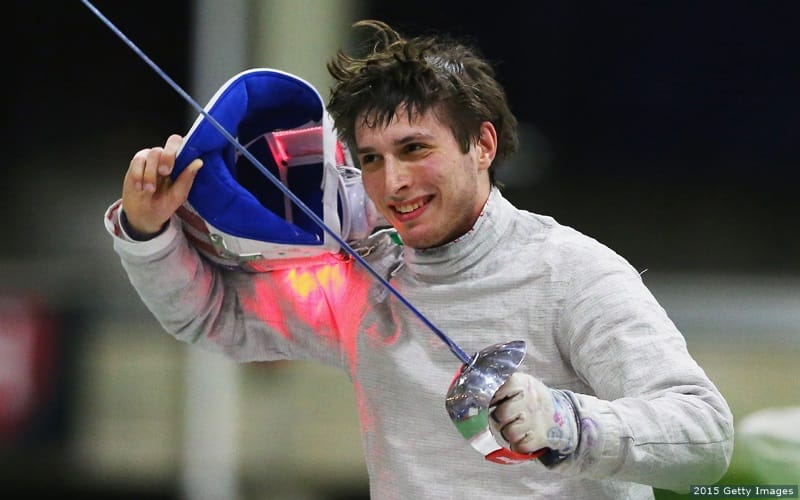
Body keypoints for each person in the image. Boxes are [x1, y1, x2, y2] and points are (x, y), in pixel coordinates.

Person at [104, 19, 733, 499]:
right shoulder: (361, 285)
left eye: (414, 148)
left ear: (481, 144)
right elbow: (213, 314)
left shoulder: (571, 273)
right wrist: (148, 231)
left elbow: (705, 438)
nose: (394, 181)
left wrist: (568, 423)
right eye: (373, 158)